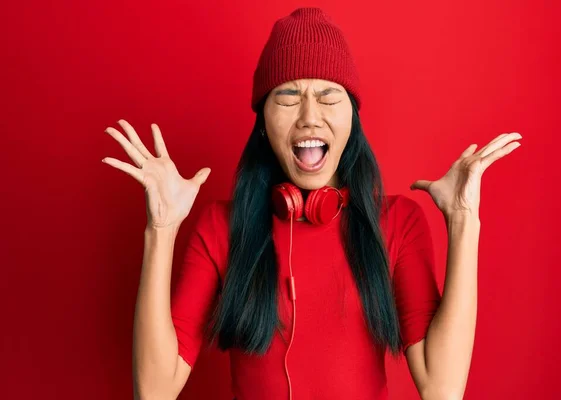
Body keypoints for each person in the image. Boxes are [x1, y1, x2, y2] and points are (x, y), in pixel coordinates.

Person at [102, 7, 522, 400]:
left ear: (353, 119)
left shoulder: (397, 223)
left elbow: (442, 388)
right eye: (287, 96)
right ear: (263, 122)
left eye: (328, 96)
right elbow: (154, 391)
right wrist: (161, 229)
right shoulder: (221, 227)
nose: (309, 116)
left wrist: (464, 221)